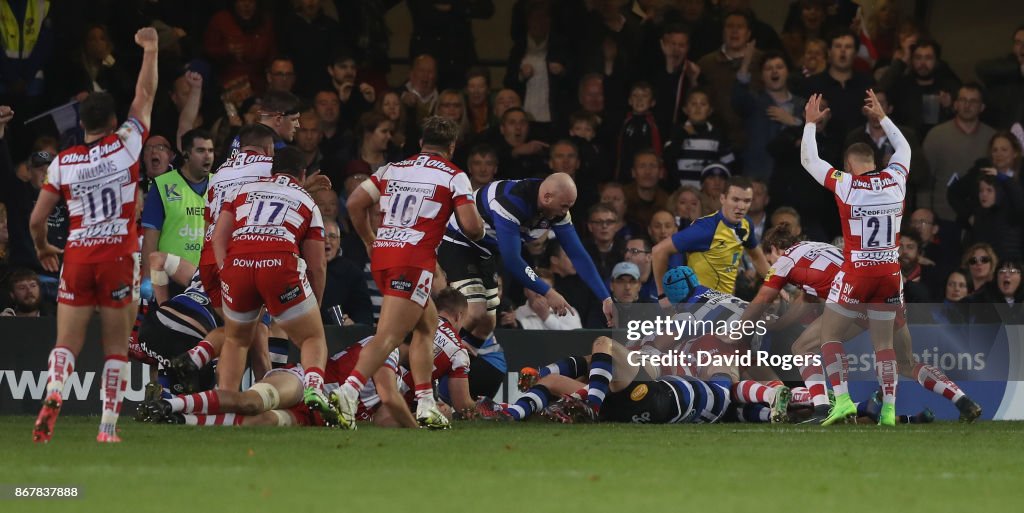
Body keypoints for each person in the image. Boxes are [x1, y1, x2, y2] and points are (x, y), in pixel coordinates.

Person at [28, 27, 158, 444]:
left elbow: (36, 220)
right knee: (115, 348)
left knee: (66, 342)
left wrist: (44, 246)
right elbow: (146, 95)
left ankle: (52, 394)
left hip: (77, 254)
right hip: (118, 253)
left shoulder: (64, 163)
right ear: (113, 121)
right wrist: (151, 50)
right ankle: (107, 428)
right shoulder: (127, 144)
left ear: (82, 123)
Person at [337, 116, 484, 430]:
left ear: (421, 143)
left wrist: (368, 240)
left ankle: (426, 402)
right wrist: (483, 231)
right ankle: (348, 391)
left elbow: (354, 203)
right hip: (413, 260)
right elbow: (472, 226)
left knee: (427, 324)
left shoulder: (393, 169)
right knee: (389, 336)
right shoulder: (454, 175)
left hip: (384, 255)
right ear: (452, 147)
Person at [439, 172, 615, 395]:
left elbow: (578, 255)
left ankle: (451, 392)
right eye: (564, 206)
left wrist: (605, 297)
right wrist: (548, 292)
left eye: (568, 206)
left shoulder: (555, 209)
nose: (565, 212)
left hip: (487, 252)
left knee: (486, 323)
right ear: (547, 197)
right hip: (459, 244)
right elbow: (512, 260)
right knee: (473, 313)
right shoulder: (510, 201)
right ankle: (430, 376)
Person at [799, 89, 909, 426]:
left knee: (830, 336)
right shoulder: (897, 178)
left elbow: (809, 162)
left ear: (848, 165)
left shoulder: (846, 185)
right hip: (890, 272)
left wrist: (809, 126)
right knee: (883, 344)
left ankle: (843, 400)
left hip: (857, 271)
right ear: (877, 162)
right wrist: (882, 118)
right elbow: (903, 148)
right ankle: (889, 410)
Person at [211, 145, 330, 413]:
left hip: (237, 267)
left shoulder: (241, 191)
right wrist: (315, 304)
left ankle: (224, 402)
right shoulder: (307, 200)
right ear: (302, 173)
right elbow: (317, 264)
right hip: (279, 266)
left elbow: (218, 237)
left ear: (272, 169)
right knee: (312, 337)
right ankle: (313, 387)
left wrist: (225, 271)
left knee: (236, 340)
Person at [198, 124, 276, 315]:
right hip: (242, 256)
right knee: (261, 324)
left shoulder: (218, 173)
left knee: (233, 330)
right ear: (267, 148)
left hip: (210, 258)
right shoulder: (269, 166)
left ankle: (204, 346)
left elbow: (208, 222)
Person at [652, 176, 769, 300]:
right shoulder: (706, 229)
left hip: (727, 303)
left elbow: (757, 257)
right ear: (723, 198)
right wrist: (663, 296)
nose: (741, 206)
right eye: (735, 199)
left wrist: (777, 286)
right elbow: (659, 251)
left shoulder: (746, 224)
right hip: (699, 306)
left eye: (746, 201)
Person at [141, 129, 214, 296]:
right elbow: (150, 240)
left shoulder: (221, 184)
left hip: (208, 282)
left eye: (210, 151)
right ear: (186, 155)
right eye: (201, 150)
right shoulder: (163, 185)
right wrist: (148, 278)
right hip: (170, 280)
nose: (208, 156)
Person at [921, 84, 996, 221]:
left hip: (982, 217)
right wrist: (924, 213)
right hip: (942, 217)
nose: (967, 105)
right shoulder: (936, 135)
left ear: (982, 107)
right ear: (955, 104)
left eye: (973, 101)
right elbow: (925, 180)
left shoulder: (993, 138)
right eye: (963, 100)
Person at [515, 268, 581, 330]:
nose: (539, 294)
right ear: (525, 290)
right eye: (534, 289)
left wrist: (546, 317)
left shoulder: (568, 312)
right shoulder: (517, 314)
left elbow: (576, 338)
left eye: (544, 289)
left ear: (553, 292)